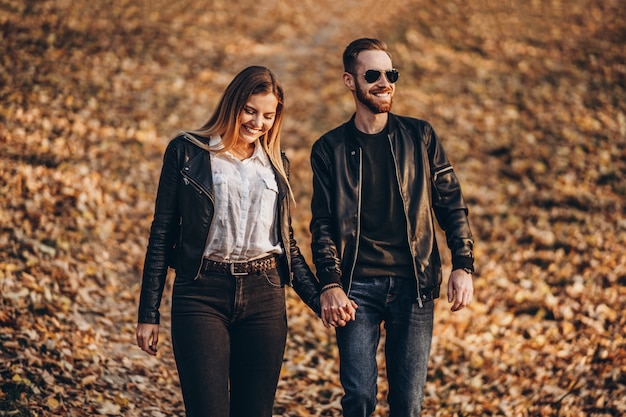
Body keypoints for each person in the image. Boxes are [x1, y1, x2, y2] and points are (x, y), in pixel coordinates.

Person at [135, 65, 321, 417]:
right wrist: (149, 313)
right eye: (249, 110)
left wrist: (321, 299)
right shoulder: (186, 152)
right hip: (201, 293)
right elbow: (161, 234)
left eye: (268, 115)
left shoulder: (275, 163)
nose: (257, 122)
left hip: (265, 296)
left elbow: (286, 244)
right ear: (232, 104)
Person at [309, 38, 475, 416]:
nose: (384, 82)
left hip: (413, 284)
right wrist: (331, 283)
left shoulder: (421, 137)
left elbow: (451, 204)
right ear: (350, 81)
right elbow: (322, 225)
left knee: (407, 403)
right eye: (373, 74)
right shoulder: (328, 149)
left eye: (390, 74)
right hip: (356, 288)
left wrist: (462, 265)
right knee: (360, 398)